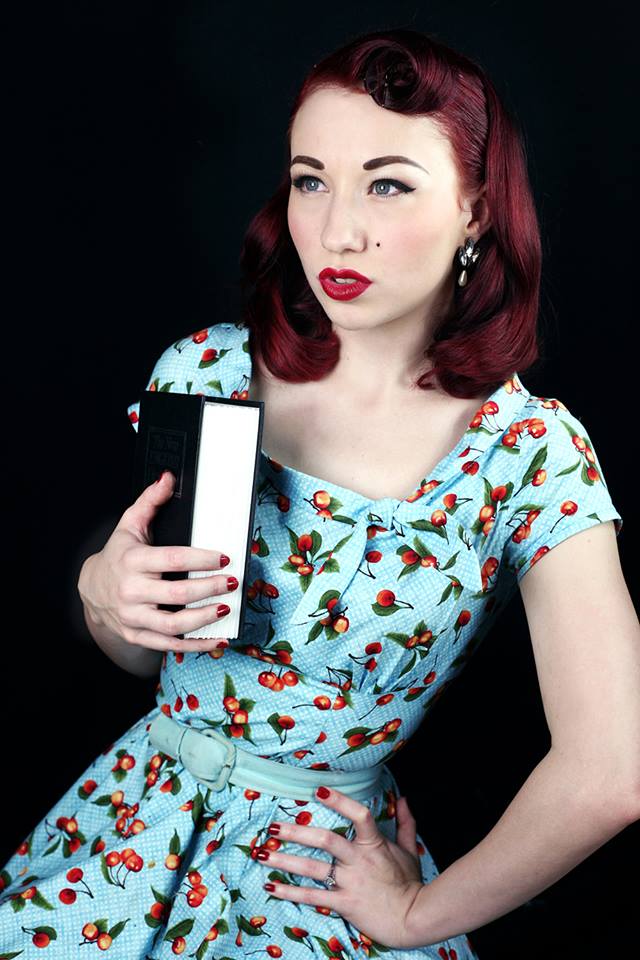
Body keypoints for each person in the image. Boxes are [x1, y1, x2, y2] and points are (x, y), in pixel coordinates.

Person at [2, 27, 638, 960]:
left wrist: (420, 915)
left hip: (310, 881)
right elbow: (146, 653)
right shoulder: (210, 371)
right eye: (311, 180)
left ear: (475, 210)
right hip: (129, 829)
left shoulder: (528, 455)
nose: (339, 230)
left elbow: (610, 772)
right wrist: (105, 595)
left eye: (388, 184)